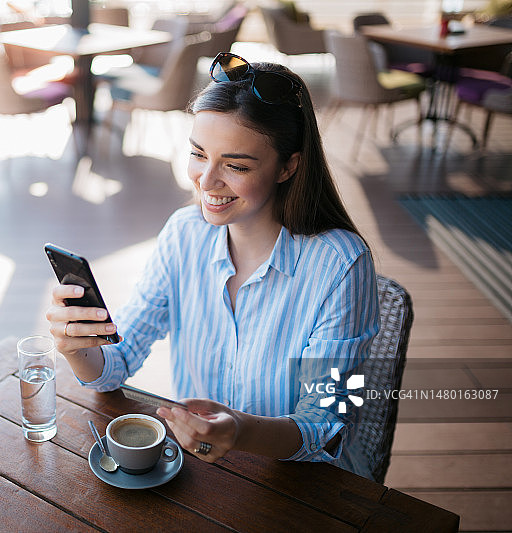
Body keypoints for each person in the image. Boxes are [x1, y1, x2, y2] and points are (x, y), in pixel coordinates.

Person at [45, 53, 380, 479]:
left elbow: (324, 428)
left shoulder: (342, 265)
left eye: (236, 165)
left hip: (303, 487)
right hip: (202, 474)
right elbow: (117, 363)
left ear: (288, 167)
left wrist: (239, 430)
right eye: (198, 154)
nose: (206, 180)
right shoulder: (184, 234)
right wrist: (79, 347)